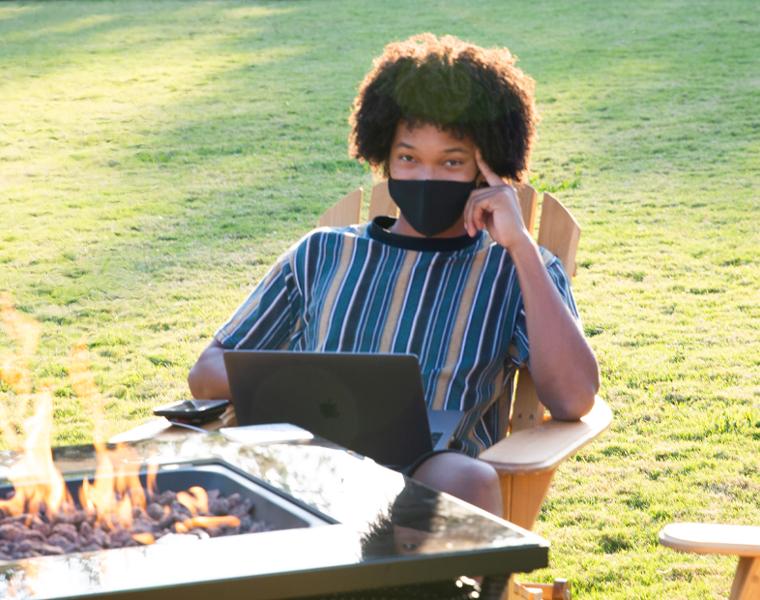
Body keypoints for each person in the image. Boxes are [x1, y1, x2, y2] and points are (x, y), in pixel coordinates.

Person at [188, 33, 600, 519]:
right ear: (384, 157)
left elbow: (573, 398)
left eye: (451, 161)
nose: (425, 178)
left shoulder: (511, 271)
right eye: (409, 158)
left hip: (430, 476)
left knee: (463, 477)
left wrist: (522, 251)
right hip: (311, 458)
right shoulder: (322, 254)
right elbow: (206, 372)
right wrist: (302, 388)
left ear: (487, 170)